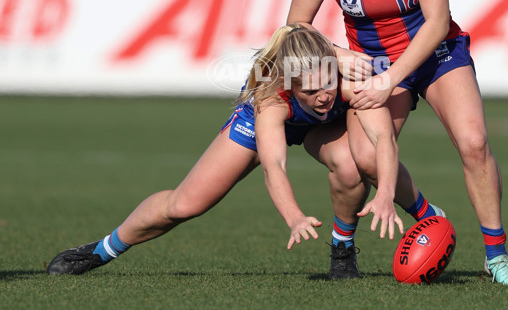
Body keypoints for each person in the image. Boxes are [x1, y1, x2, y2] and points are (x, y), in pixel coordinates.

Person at [286, 0, 508, 285]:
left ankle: (497, 256)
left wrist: (390, 81)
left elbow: (437, 21)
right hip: (373, 60)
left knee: (474, 142)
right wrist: (341, 57)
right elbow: (295, 26)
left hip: (435, 53)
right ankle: (428, 216)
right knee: (363, 158)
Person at [46, 24, 442, 280]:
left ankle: (343, 252)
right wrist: (293, 217)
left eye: (327, 85)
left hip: (319, 132)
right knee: (184, 205)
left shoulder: (350, 83)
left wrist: (387, 195)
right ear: (289, 83)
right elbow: (274, 167)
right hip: (269, 124)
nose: (323, 97)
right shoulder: (271, 99)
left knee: (351, 166)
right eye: (310, 91)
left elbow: (383, 142)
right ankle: (100, 251)